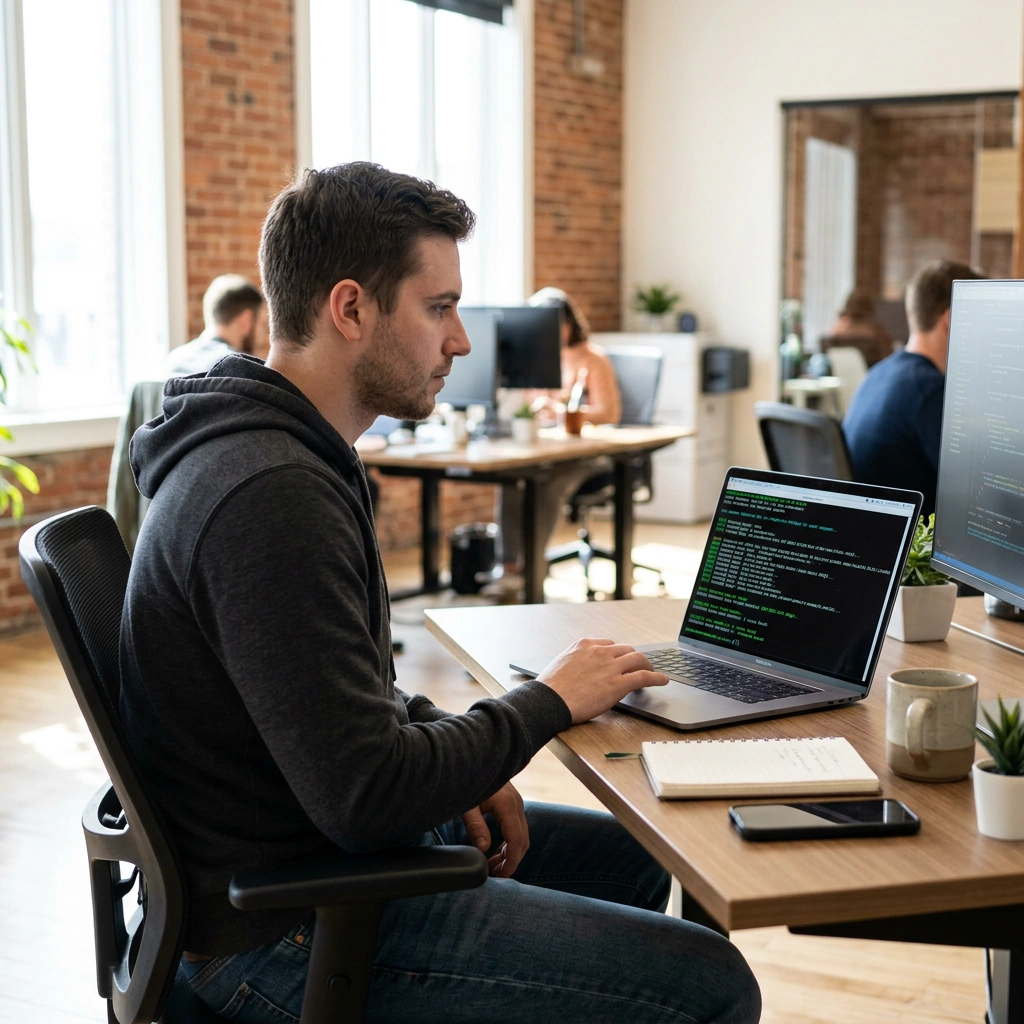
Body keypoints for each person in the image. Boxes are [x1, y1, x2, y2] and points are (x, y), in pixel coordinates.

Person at [120, 162, 759, 1022]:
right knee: (711, 988)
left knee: (637, 860)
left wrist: (447, 743)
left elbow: (332, 695)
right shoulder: (269, 492)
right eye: (439, 307)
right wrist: (543, 705)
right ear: (350, 309)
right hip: (280, 934)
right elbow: (364, 795)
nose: (460, 340)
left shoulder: (276, 452)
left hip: (289, 863)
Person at [843, 260, 984, 517]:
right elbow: (975, 490)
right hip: (908, 547)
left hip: (869, 535)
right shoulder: (928, 391)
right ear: (953, 320)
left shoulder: (880, 373)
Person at [499, 287, 623, 578]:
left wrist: (563, 412)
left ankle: (533, 569)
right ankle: (507, 567)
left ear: (568, 326)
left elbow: (609, 413)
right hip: (549, 451)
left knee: (548, 484)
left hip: (592, 456)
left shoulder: (593, 359)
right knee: (509, 482)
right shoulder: (537, 361)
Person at [165, 274, 270, 375]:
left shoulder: (172, 360)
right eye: (263, 324)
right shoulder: (239, 369)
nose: (264, 336)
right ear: (246, 320)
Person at [823, 288, 892, 367]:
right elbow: (887, 356)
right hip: (872, 373)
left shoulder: (838, 329)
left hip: (841, 374)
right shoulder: (875, 330)